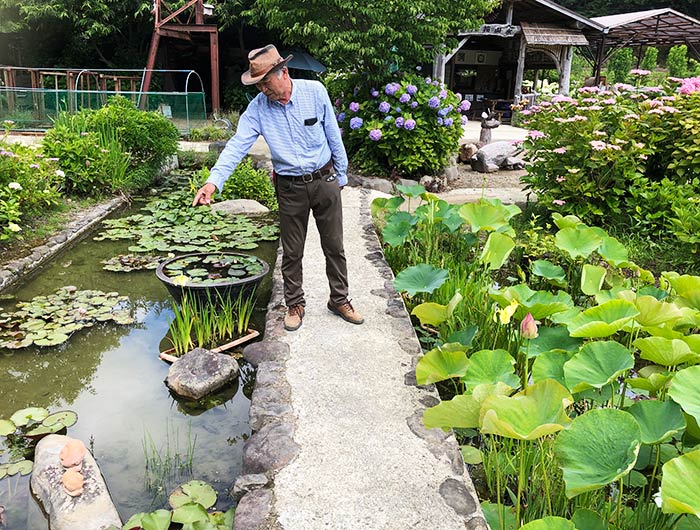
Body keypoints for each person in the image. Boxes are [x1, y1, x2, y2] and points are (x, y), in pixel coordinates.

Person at [192, 44, 363, 332]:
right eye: (258, 85)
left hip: (324, 180)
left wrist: (342, 175)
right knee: (292, 250)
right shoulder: (257, 109)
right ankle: (295, 303)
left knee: (334, 245)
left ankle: (339, 299)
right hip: (290, 187)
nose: (263, 90)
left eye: (265, 82)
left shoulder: (315, 92)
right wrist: (213, 182)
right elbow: (237, 146)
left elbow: (334, 134)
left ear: (283, 72)